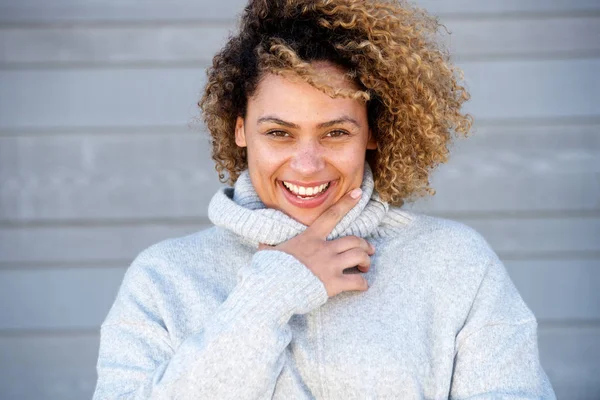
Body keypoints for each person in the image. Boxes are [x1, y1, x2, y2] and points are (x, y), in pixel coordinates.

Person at [93, 0, 556, 398]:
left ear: (373, 132)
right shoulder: (163, 278)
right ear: (240, 130)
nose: (307, 164)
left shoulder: (455, 263)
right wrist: (272, 292)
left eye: (335, 132)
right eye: (279, 133)